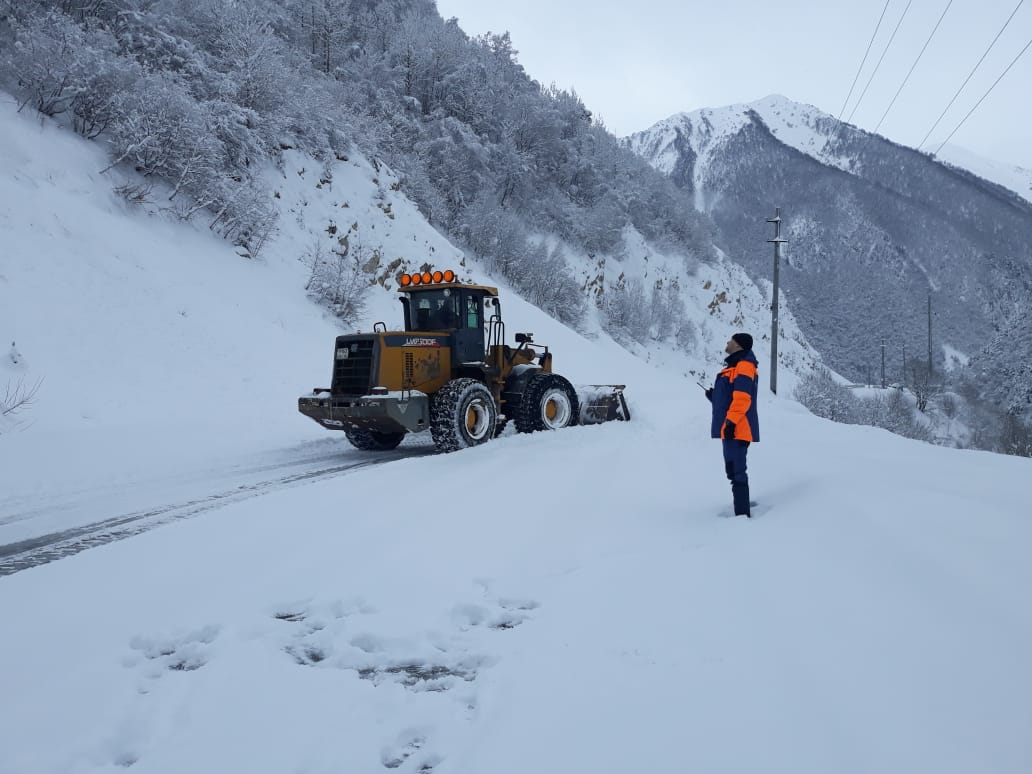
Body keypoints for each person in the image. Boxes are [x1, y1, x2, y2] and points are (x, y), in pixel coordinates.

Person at [705, 333, 760, 517]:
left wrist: (730, 423)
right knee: (733, 470)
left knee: (736, 471)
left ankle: (742, 517)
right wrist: (714, 397)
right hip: (732, 427)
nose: (727, 342)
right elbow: (730, 398)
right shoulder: (735, 366)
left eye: (731, 340)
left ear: (738, 345)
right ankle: (741, 511)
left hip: (737, 428)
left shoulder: (744, 365)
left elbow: (743, 398)